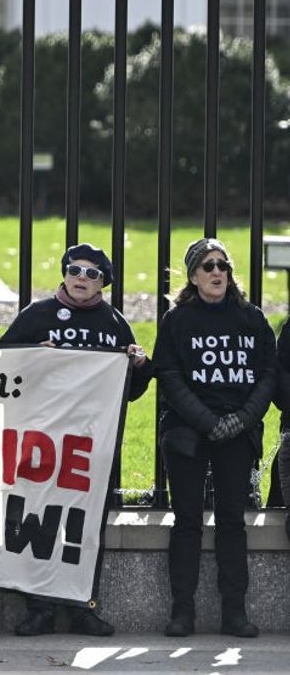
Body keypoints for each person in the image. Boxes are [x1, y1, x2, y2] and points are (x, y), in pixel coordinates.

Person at [0, 243, 151, 637]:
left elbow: (128, 391)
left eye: (92, 273)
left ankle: (83, 605)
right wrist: (30, 354)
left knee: (86, 528)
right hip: (45, 441)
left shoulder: (115, 323)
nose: (82, 278)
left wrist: (139, 366)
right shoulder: (37, 315)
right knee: (40, 522)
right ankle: (39, 607)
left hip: (91, 445)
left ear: (105, 282)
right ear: (64, 273)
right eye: (75, 270)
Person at [156, 238, 275, 638]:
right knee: (186, 521)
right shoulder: (176, 321)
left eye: (223, 265)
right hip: (189, 432)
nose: (217, 272)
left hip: (238, 433)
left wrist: (242, 420)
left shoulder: (251, 318)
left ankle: (234, 614)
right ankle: (182, 613)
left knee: (232, 522)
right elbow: (169, 377)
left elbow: (267, 376)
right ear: (193, 275)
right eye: (207, 266)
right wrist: (208, 422)